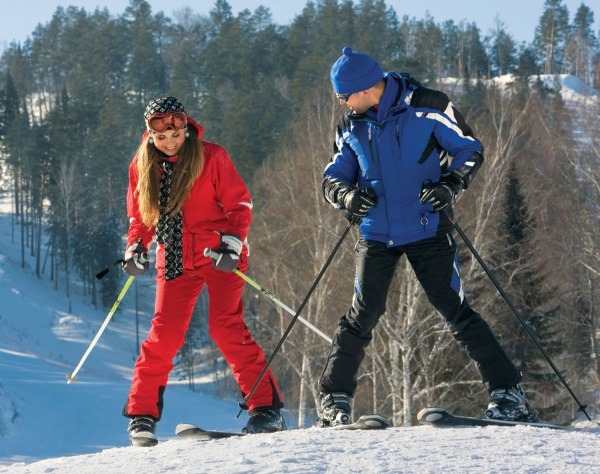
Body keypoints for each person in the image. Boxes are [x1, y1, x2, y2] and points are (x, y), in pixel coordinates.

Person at [317, 47, 537, 427]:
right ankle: (333, 399)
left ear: (366, 87)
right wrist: (348, 196)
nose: (340, 102)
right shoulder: (351, 126)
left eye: (343, 95)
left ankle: (508, 393)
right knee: (363, 314)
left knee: (453, 307)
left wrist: (451, 184)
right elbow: (332, 179)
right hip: (376, 232)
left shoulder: (429, 105)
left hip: (426, 227)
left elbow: (470, 148)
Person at [121, 96, 285, 446]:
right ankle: (142, 415)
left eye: (175, 133)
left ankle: (266, 408)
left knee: (225, 326)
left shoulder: (211, 156)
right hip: (176, 254)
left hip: (218, 252)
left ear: (185, 126)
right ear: (150, 133)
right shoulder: (142, 165)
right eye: (161, 136)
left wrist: (233, 243)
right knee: (164, 332)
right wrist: (137, 246)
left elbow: (239, 204)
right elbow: (141, 216)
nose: (169, 141)